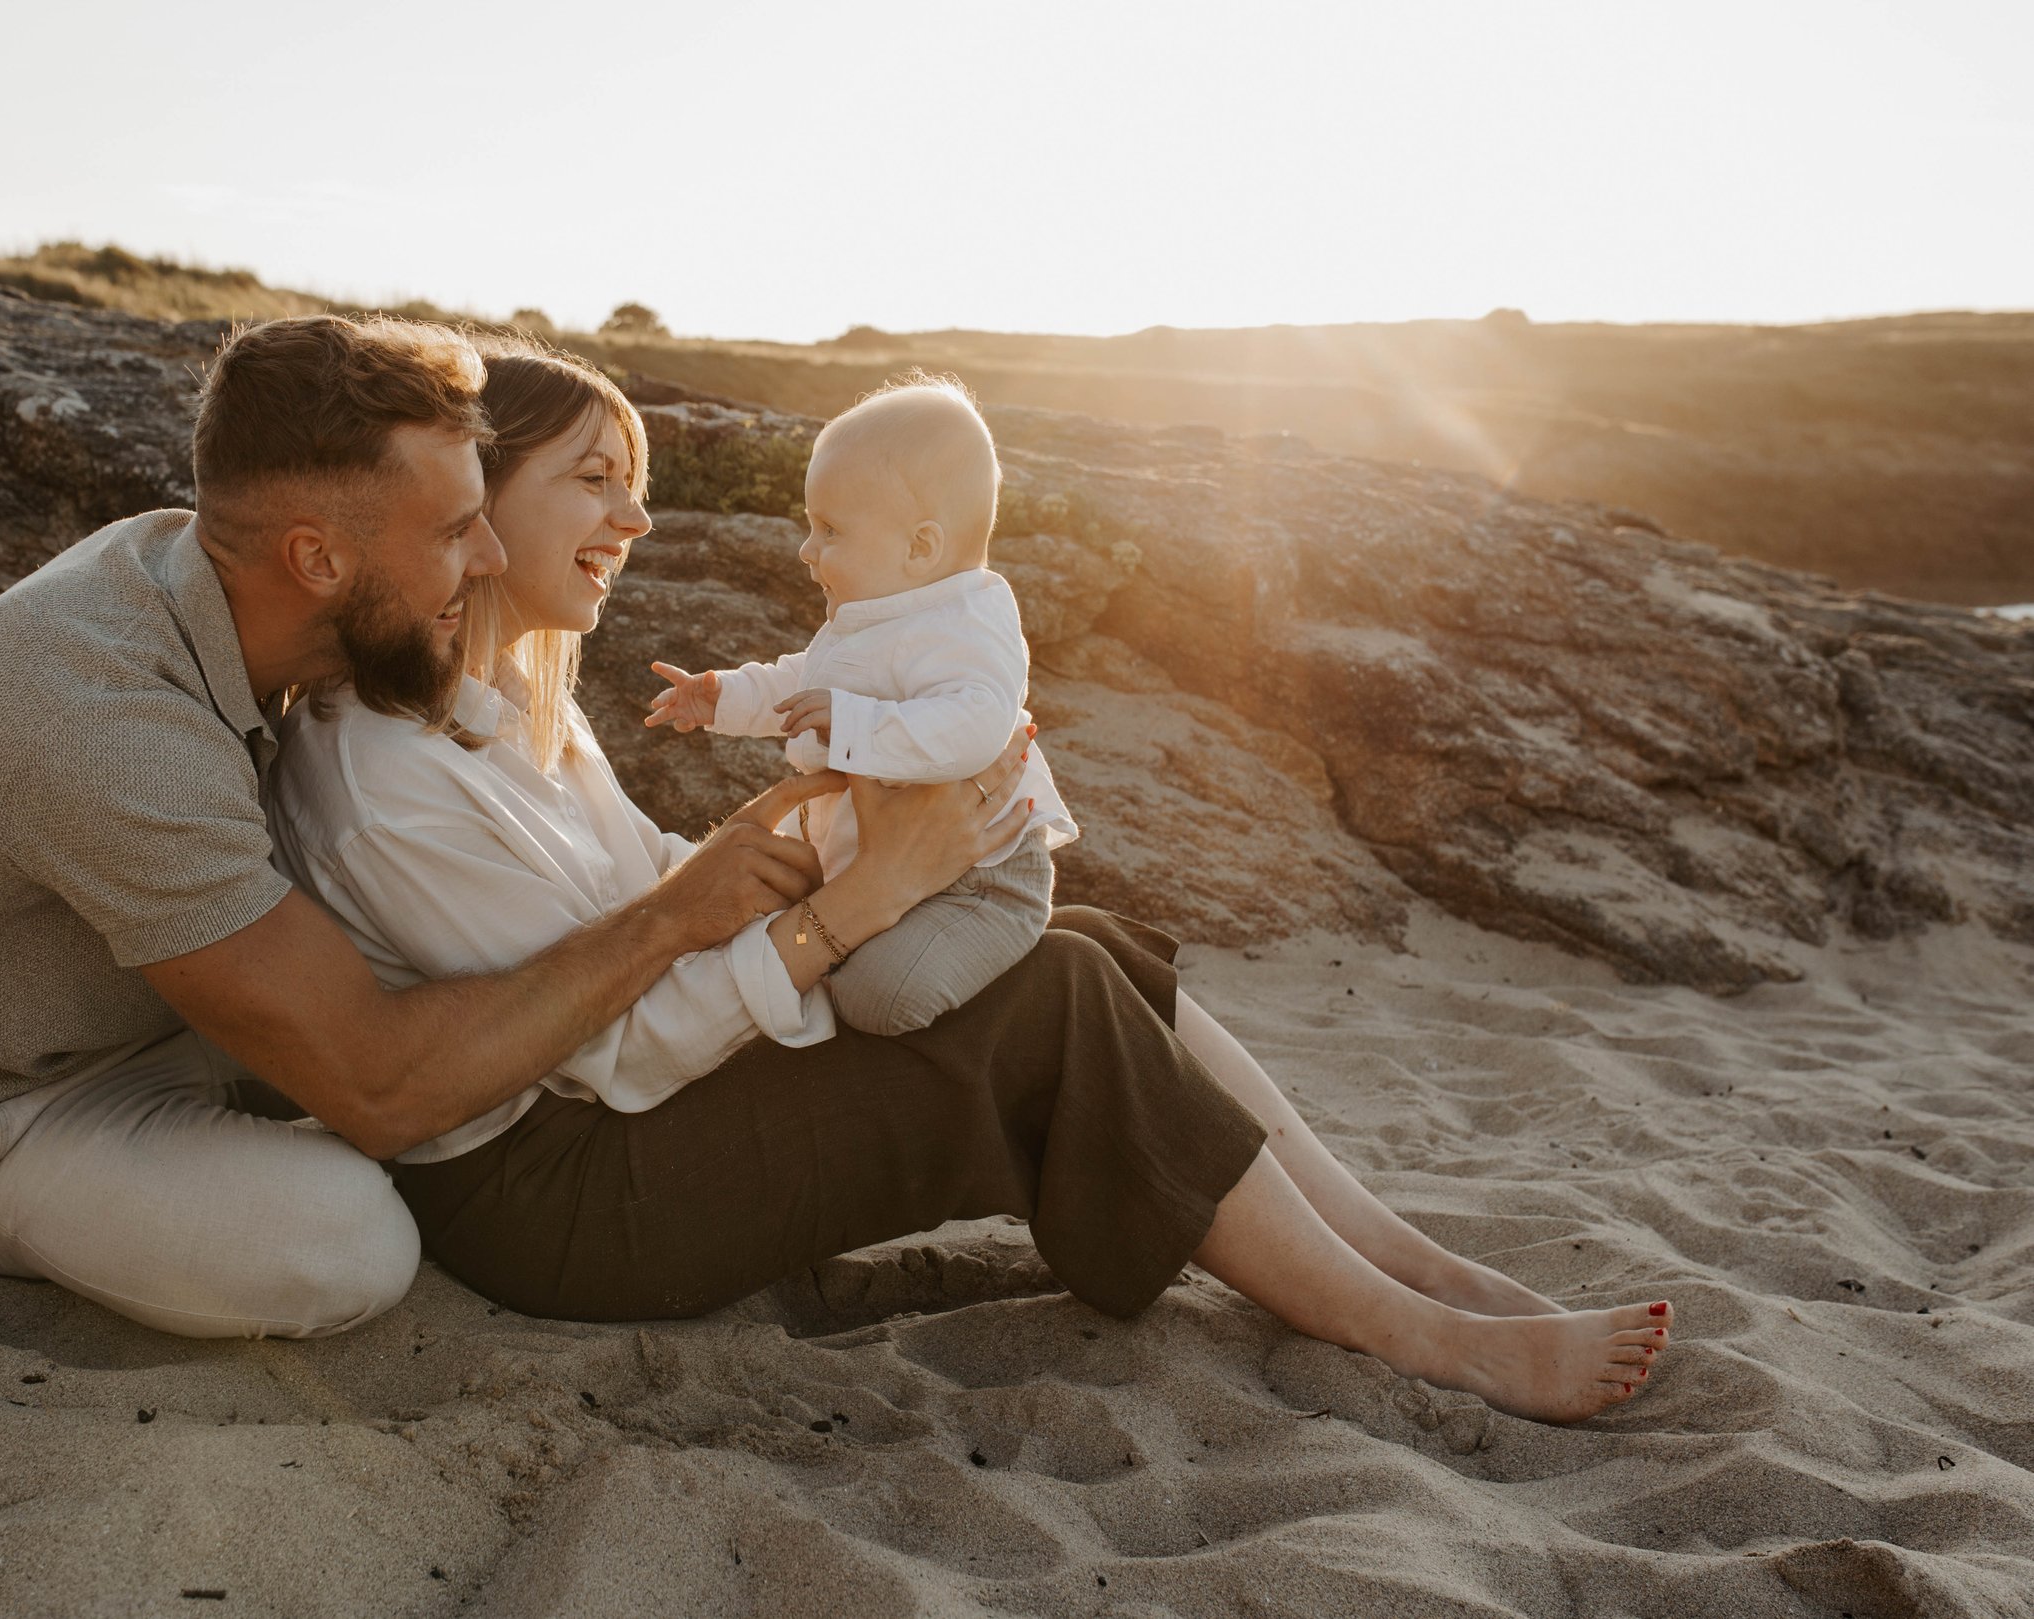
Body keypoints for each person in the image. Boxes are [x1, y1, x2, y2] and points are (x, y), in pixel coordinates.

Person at [269, 342, 1675, 1422]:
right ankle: (1415, 1330)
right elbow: (621, 1051)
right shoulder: (389, 776)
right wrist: (856, 909)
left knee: (1087, 939)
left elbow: (652, 918)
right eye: (592, 477)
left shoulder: (517, 709)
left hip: (625, 1107)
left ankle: (1404, 1260)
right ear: (474, 500)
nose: (636, 515)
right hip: (568, 1199)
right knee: (1049, 995)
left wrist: (828, 836)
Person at [0, 314, 857, 1340]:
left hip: (177, 1006)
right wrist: (670, 918)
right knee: (346, 1241)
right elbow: (379, 1085)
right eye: (455, 530)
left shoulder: (215, 580)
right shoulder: (110, 730)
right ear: (315, 557)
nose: (490, 554)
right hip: (12, 1103)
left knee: (480, 1022)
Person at [644, 376, 1074, 1035]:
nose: (805, 549)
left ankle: (1027, 1015)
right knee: (796, 946)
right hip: (894, 862)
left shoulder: (967, 621)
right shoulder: (873, 617)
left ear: (920, 547)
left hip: (980, 880)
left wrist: (857, 725)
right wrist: (724, 697)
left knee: (876, 999)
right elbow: (804, 683)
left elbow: (978, 724)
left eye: (829, 530)